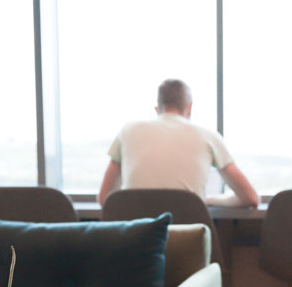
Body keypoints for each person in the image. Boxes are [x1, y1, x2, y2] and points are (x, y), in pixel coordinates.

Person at [98, 78, 259, 208]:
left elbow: (105, 197)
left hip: (138, 241)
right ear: (189, 108)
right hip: (188, 241)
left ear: (157, 109)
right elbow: (250, 198)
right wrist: (205, 200)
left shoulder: (128, 131)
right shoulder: (208, 136)